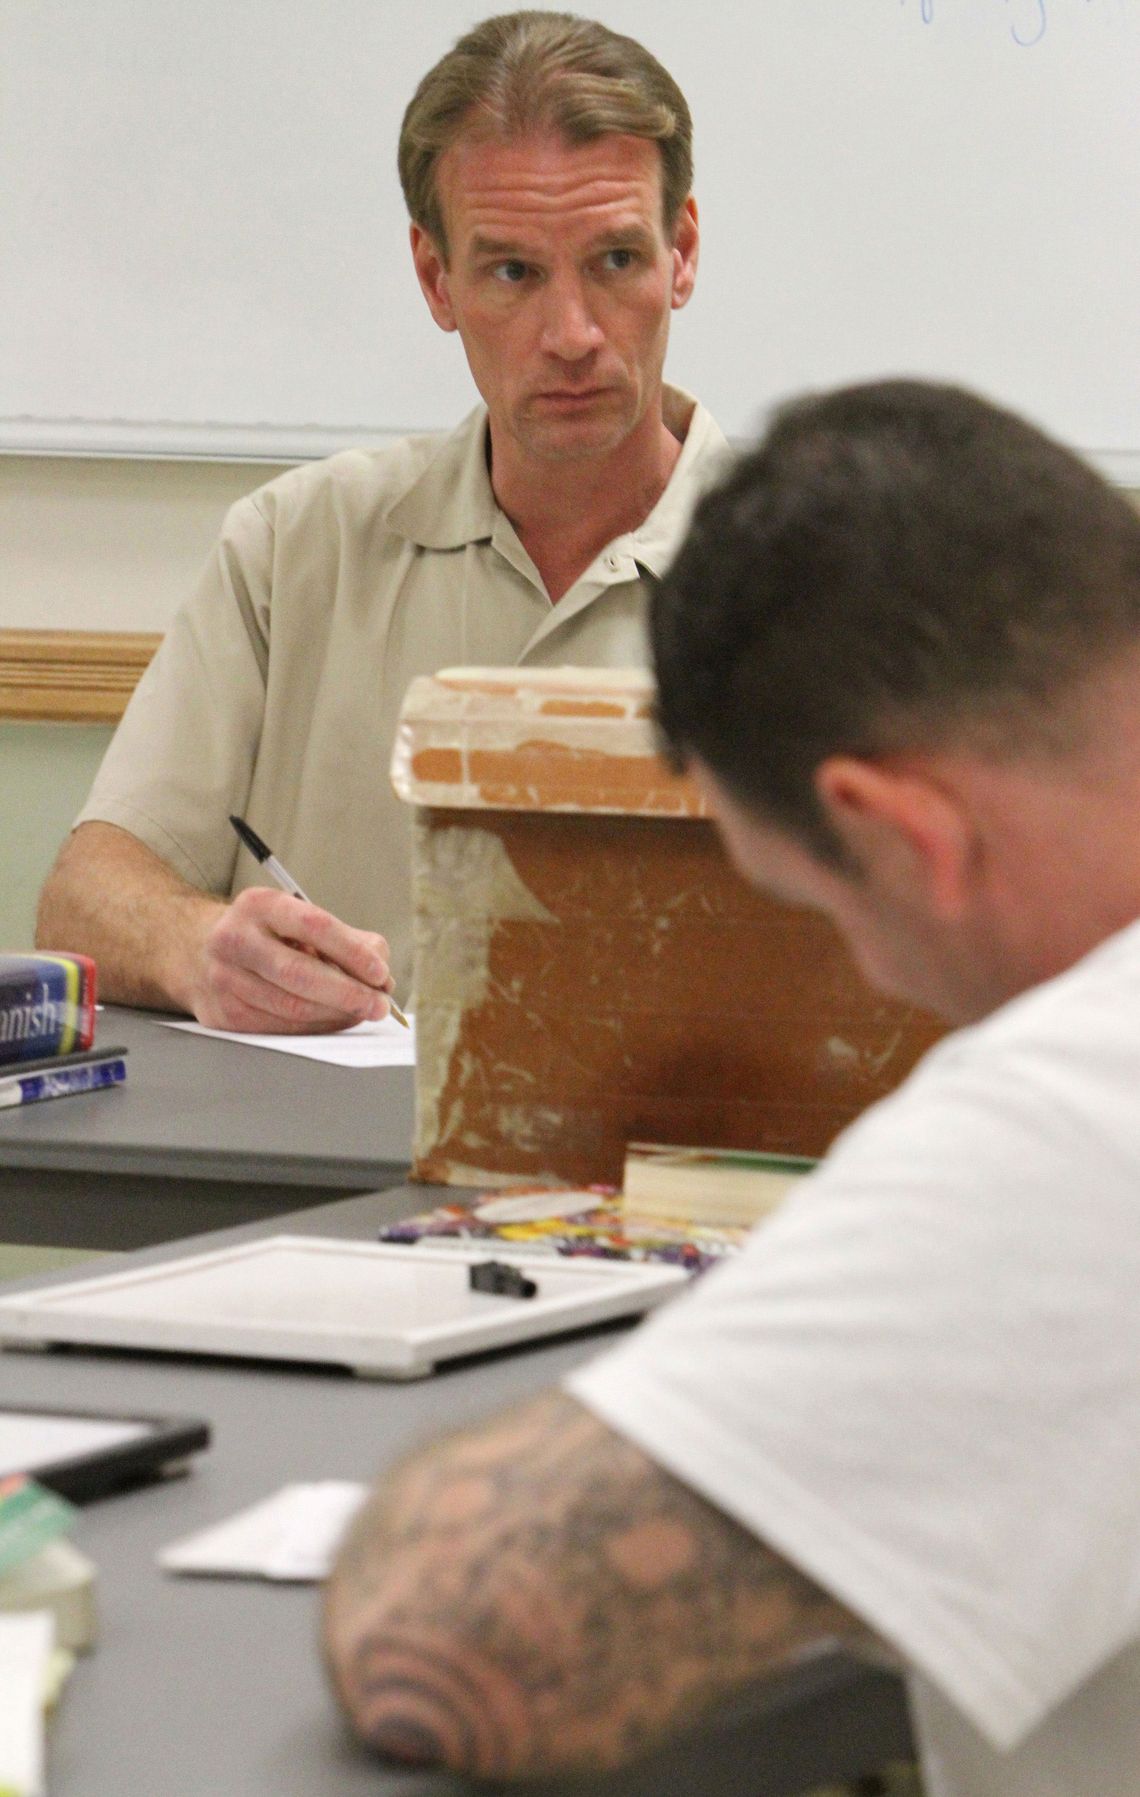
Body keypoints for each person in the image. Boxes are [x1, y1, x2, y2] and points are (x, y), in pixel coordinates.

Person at [322, 380, 1140, 1797]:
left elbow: (460, 1635)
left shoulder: (1079, 1108)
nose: (874, 977)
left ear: (906, 839)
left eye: (821, 909)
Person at [35, 11, 718, 1032]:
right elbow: (86, 894)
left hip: (679, 1177)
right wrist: (199, 947)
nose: (572, 334)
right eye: (513, 273)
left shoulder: (828, 579)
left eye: (616, 261)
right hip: (328, 1173)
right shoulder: (295, 548)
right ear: (437, 280)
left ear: (683, 254)